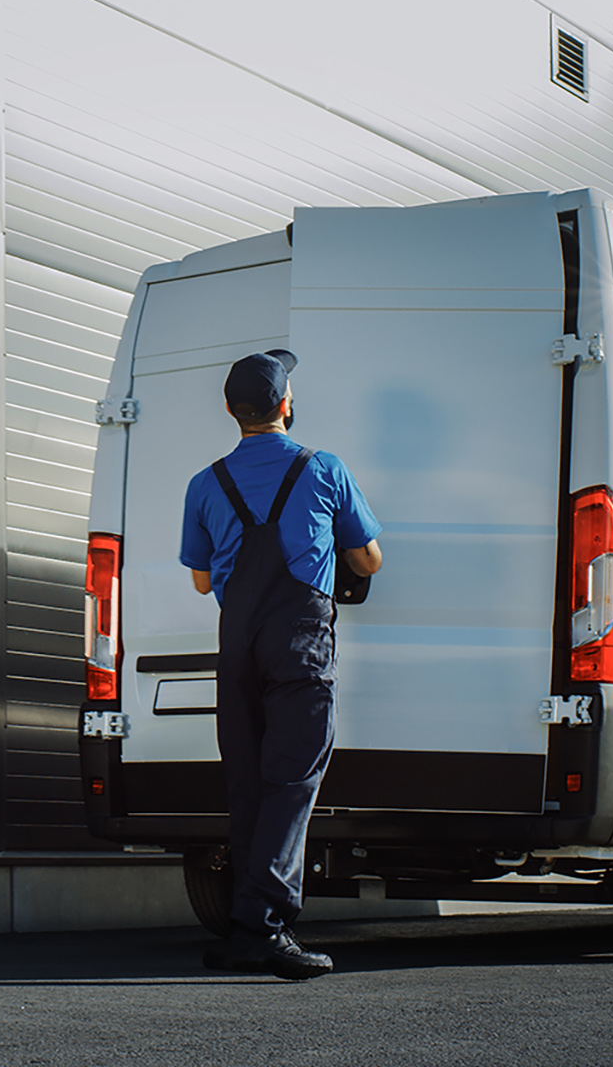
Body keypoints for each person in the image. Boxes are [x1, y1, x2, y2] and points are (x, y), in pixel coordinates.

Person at [180, 349, 383, 981]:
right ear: (286, 406)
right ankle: (265, 929)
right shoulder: (323, 469)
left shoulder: (205, 482)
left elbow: (198, 578)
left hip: (236, 644)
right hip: (298, 643)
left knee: (247, 782)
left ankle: (246, 927)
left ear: (230, 411)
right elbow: (370, 559)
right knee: (292, 784)